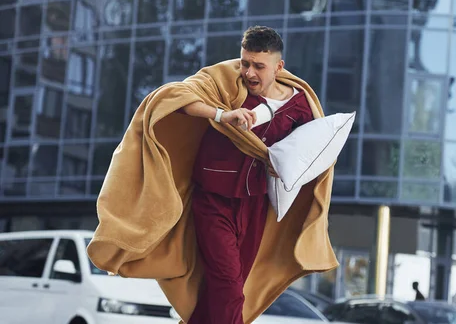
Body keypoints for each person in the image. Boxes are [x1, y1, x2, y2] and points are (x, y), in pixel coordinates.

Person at [86, 25, 339, 324]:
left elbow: (310, 155)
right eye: (245, 62)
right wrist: (221, 115)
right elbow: (172, 97)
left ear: (278, 67)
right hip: (212, 201)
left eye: (259, 66)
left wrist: (284, 167)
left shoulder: (300, 105)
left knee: (228, 289)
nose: (249, 73)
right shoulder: (226, 80)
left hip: (256, 206)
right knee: (230, 290)